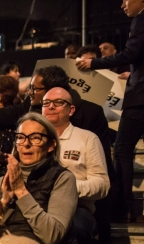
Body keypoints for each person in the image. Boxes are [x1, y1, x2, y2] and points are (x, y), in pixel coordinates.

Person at [0, 65, 111, 160]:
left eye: (35, 89)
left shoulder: (91, 115)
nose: (29, 93)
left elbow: (103, 167)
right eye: (29, 88)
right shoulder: (29, 109)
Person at [76, 0, 144, 222]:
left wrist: (94, 63)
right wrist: (132, 74)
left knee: (122, 150)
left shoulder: (140, 20)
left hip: (140, 99)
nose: (122, 4)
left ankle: (124, 209)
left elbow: (131, 53)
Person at [0, 113, 79, 244]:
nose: (26, 144)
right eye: (20, 137)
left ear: (51, 145)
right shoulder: (5, 179)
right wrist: (4, 202)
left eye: (35, 138)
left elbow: (52, 235)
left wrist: (21, 191)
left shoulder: (63, 178)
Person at [42, 88, 110, 244]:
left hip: (77, 208)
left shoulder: (87, 138)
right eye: (46, 103)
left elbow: (102, 184)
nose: (51, 107)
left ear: (71, 110)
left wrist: (67, 189)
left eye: (58, 103)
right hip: (38, 204)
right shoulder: (31, 138)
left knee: (70, 227)